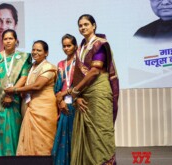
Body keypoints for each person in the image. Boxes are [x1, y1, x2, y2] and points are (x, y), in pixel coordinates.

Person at [70, 14, 119, 165]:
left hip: (99, 93)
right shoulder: (80, 49)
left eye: (86, 24)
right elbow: (78, 76)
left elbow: (95, 71)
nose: (83, 27)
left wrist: (76, 90)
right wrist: (76, 96)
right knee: (86, 135)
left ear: (94, 26)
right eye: (80, 25)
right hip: (84, 95)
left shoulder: (101, 44)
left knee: (100, 132)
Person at [4, 40, 57, 155]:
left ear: (46, 53)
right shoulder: (31, 67)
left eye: (39, 50)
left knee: (43, 141)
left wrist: (15, 90)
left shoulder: (48, 67)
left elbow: (37, 86)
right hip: (29, 106)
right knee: (29, 140)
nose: (35, 52)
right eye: (33, 49)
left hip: (44, 108)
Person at [0, 29, 31, 156]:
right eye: (5, 39)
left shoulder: (23, 58)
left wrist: (11, 93)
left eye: (10, 38)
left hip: (14, 100)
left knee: (13, 131)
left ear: (16, 41)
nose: (8, 41)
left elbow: (24, 77)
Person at [51, 34, 78, 165]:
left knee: (76, 138)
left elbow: (81, 85)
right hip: (63, 106)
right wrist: (60, 102)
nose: (66, 48)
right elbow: (56, 88)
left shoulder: (80, 63)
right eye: (64, 46)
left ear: (75, 46)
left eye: (69, 45)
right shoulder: (60, 64)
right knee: (62, 139)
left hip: (77, 105)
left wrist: (66, 94)